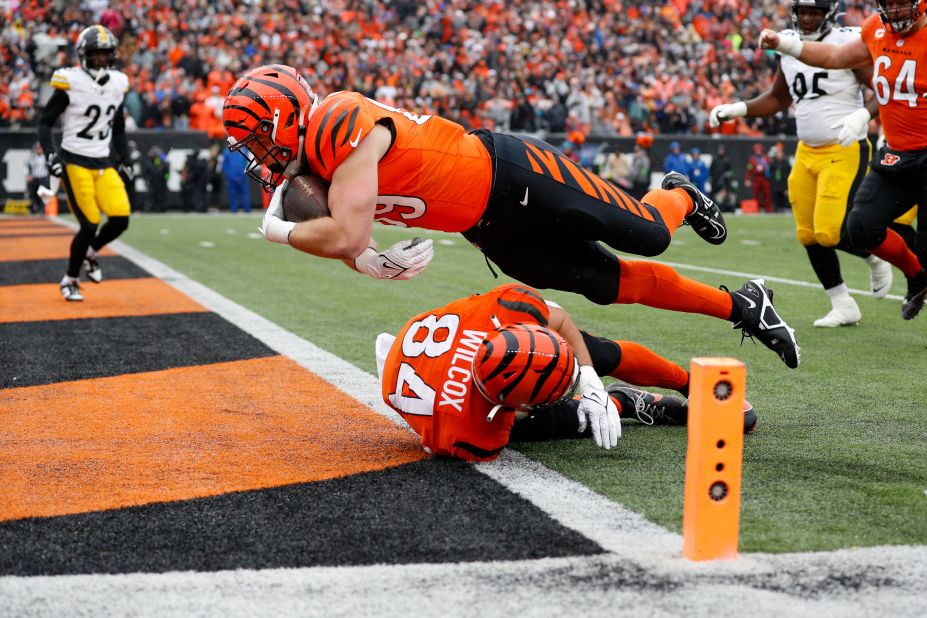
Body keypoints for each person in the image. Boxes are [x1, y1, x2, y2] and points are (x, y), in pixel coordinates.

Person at [223, 65, 800, 368]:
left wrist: (279, 231)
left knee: (649, 234)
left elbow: (345, 231)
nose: (256, 158)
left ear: (281, 119)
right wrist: (369, 263)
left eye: (254, 140)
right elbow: (350, 240)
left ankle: (677, 193)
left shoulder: (336, 121)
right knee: (609, 286)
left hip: (514, 174)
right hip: (487, 226)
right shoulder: (318, 168)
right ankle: (744, 304)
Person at [376, 284, 757, 462]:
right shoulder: (473, 435)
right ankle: (627, 402)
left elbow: (557, 317)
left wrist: (586, 371)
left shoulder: (507, 310)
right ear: (509, 406)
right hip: (420, 374)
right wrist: (594, 399)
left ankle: (696, 383)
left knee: (597, 350)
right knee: (559, 421)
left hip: (442, 343)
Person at [715, 0, 915, 328]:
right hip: (807, 150)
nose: (808, 18)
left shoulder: (847, 44)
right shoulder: (789, 44)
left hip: (844, 146)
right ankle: (842, 304)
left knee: (829, 230)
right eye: (803, 12)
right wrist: (739, 109)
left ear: (829, 15)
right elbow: (780, 97)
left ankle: (875, 257)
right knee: (807, 233)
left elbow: (884, 86)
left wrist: (862, 114)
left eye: (815, 12)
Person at [37, 25, 133, 302]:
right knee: (90, 223)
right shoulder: (70, 81)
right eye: (96, 53)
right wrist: (51, 155)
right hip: (75, 159)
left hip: (102, 161)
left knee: (120, 219)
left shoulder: (117, 83)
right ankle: (70, 279)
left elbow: (119, 129)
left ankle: (91, 253)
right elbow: (44, 124)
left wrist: (126, 160)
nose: (101, 59)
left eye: (105, 53)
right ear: (84, 55)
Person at [221, 143, 252, 213]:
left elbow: (246, 163)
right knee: (233, 194)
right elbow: (225, 166)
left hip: (242, 177)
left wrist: (243, 174)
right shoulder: (226, 151)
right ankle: (234, 211)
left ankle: (247, 210)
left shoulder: (244, 150)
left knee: (245, 194)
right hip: (232, 178)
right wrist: (231, 176)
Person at [746, 143, 774, 214]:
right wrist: (747, 179)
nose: (758, 151)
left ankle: (768, 209)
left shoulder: (766, 158)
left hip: (764, 178)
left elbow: (771, 165)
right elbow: (749, 170)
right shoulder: (752, 159)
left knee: (767, 194)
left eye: (759, 150)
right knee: (755, 195)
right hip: (756, 178)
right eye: (757, 150)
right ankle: (756, 209)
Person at [24, 142, 49, 215]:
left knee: (43, 194)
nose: (38, 150)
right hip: (34, 178)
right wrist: (27, 175)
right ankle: (35, 208)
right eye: (37, 148)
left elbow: (50, 167)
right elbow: (26, 166)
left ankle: (42, 209)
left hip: (43, 178)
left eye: (39, 148)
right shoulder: (31, 157)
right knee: (33, 194)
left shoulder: (46, 157)